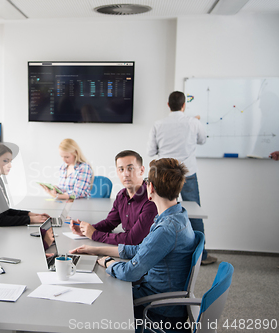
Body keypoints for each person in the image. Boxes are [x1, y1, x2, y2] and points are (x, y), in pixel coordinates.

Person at [70, 158, 196, 329]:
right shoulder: (177, 215)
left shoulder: (166, 229)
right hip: (163, 297)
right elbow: (141, 249)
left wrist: (108, 262)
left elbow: (131, 273)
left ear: (150, 188)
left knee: (97, 299)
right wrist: (96, 250)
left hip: (157, 308)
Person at [147, 91, 216, 265]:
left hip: (163, 174)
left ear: (168, 105)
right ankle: (202, 256)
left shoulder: (158, 124)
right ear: (184, 105)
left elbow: (150, 152)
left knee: (160, 210)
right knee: (195, 213)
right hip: (187, 172)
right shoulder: (193, 122)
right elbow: (202, 140)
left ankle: (157, 249)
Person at [69, 150, 157, 245]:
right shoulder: (121, 195)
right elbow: (110, 223)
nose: (125, 174)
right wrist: (86, 229)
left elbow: (132, 239)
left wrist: (94, 234)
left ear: (142, 170)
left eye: (130, 168)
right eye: (121, 169)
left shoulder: (151, 199)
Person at [0, 143, 49, 226]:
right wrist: (30, 220)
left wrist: (30, 214)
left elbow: (5, 212)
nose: (10, 165)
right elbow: (0, 220)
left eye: (10, 161)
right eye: (5, 161)